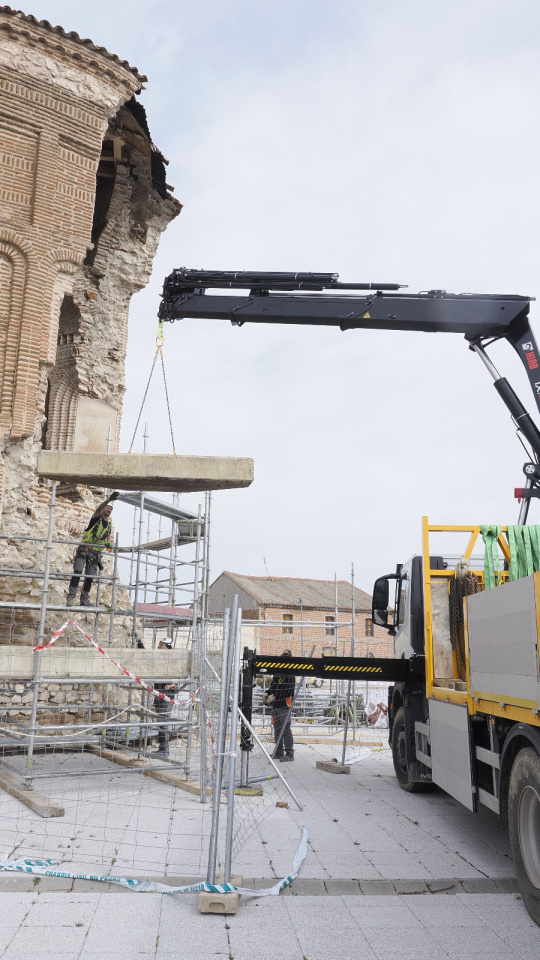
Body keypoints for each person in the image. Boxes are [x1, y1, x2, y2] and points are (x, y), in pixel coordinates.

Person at [66, 500, 114, 607]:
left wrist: (108, 543)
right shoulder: (96, 518)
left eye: (111, 509)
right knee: (77, 574)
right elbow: (97, 510)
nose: (109, 510)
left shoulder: (109, 524)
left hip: (94, 554)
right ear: (102, 509)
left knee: (89, 578)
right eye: (107, 507)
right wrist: (109, 499)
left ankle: (84, 600)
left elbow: (108, 536)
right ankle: (70, 597)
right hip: (84, 550)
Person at [263, 650, 296, 762]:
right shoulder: (277, 672)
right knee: (277, 728)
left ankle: (289, 753)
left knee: (285, 728)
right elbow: (273, 686)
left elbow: (289, 690)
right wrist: (267, 693)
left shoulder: (290, 673)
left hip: (284, 706)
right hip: (276, 705)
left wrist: (274, 695)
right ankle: (278, 751)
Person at [150, 639, 176, 759]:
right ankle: (162, 749)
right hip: (159, 693)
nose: (159, 646)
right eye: (159, 644)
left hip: (166, 695)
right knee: (161, 722)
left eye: (161, 645)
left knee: (163, 722)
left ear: (167, 647)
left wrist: (168, 686)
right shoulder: (160, 660)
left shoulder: (172, 660)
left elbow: (176, 681)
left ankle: (164, 750)